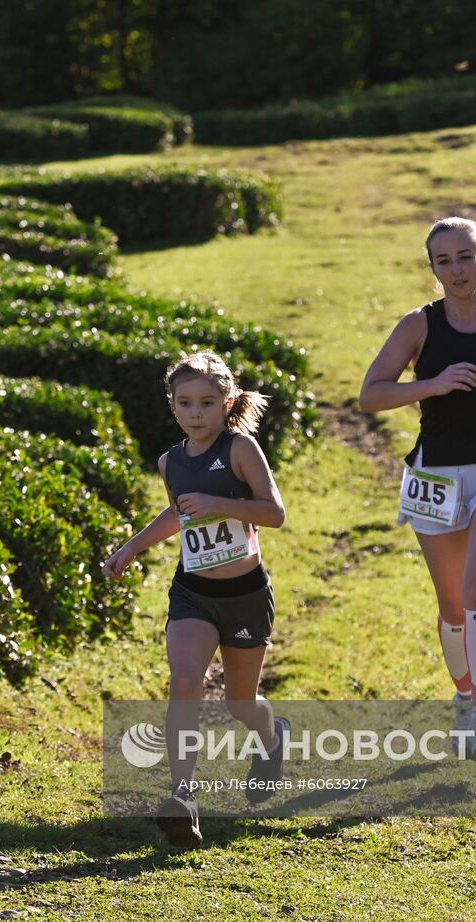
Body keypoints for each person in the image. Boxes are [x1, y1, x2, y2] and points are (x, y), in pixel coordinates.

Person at [358, 217, 476, 761]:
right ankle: (465, 698)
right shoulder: (418, 326)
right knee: (452, 605)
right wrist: (433, 385)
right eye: (445, 261)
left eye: (466, 256)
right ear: (434, 269)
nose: (457, 269)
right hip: (435, 477)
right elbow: (371, 395)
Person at [102, 351, 290, 847]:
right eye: (185, 403)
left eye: (207, 403)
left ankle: (273, 739)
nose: (196, 413)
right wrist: (130, 548)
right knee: (184, 682)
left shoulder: (240, 448)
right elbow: (176, 516)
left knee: (240, 702)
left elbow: (273, 513)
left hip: (246, 594)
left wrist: (220, 504)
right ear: (173, 406)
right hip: (194, 593)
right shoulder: (171, 461)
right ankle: (182, 796)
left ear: (227, 404)